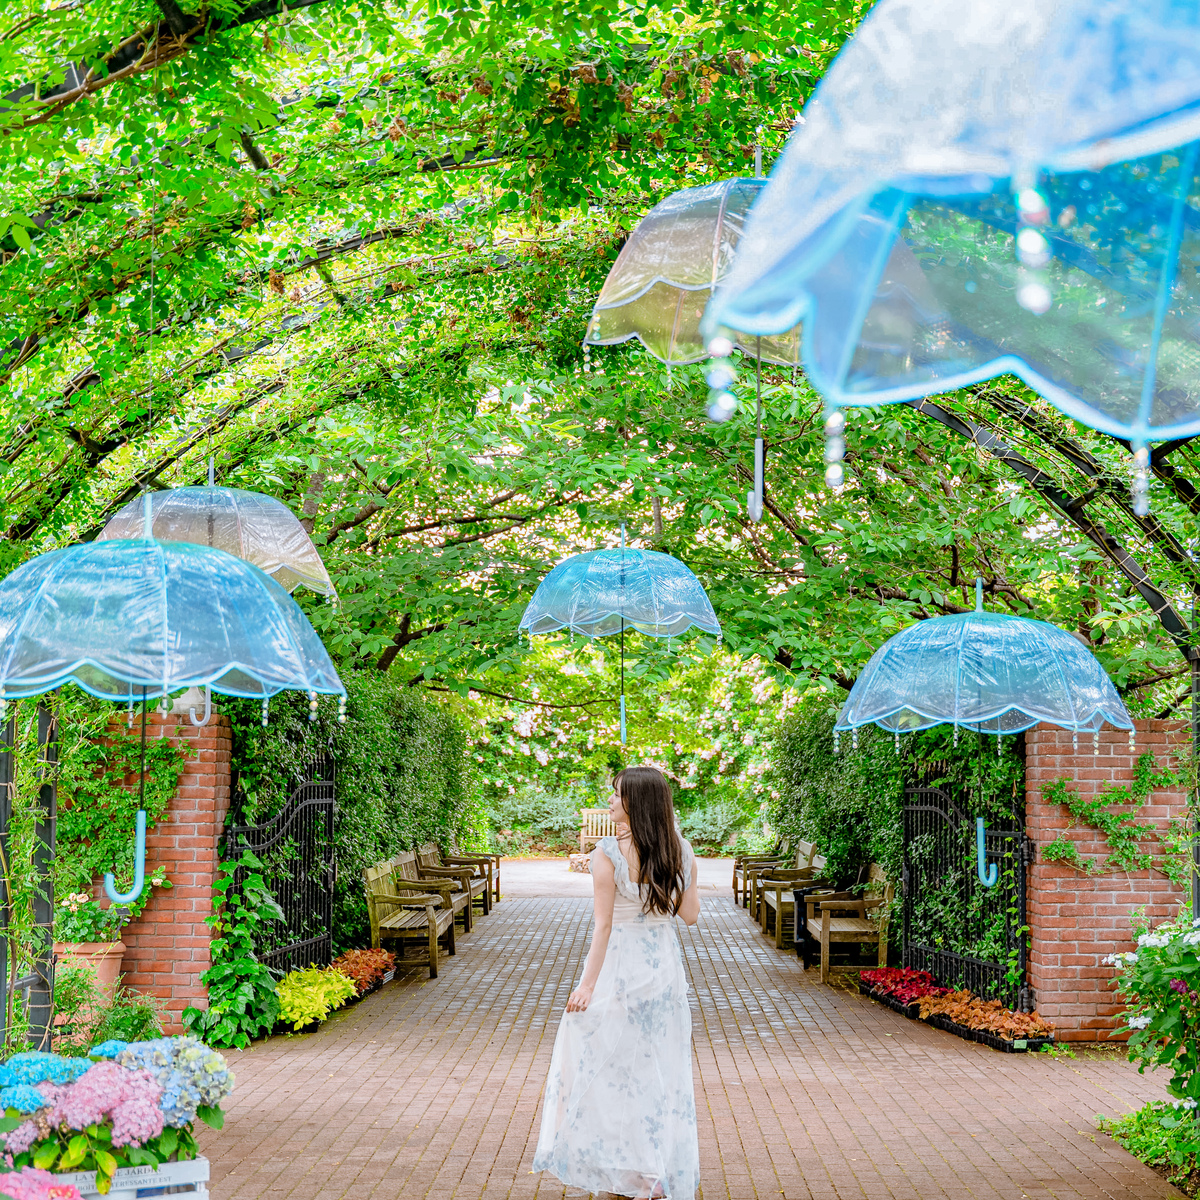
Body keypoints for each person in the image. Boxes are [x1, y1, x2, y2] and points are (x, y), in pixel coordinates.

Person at [533, 765, 701, 1199]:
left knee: (608, 1064)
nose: (610, 801)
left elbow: (603, 928)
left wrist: (586, 986)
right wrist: (679, 871)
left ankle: (628, 1169)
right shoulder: (679, 850)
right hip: (662, 968)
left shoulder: (605, 854)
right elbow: (690, 915)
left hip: (621, 971)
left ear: (637, 803)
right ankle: (649, 1170)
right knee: (658, 1069)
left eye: (616, 795)